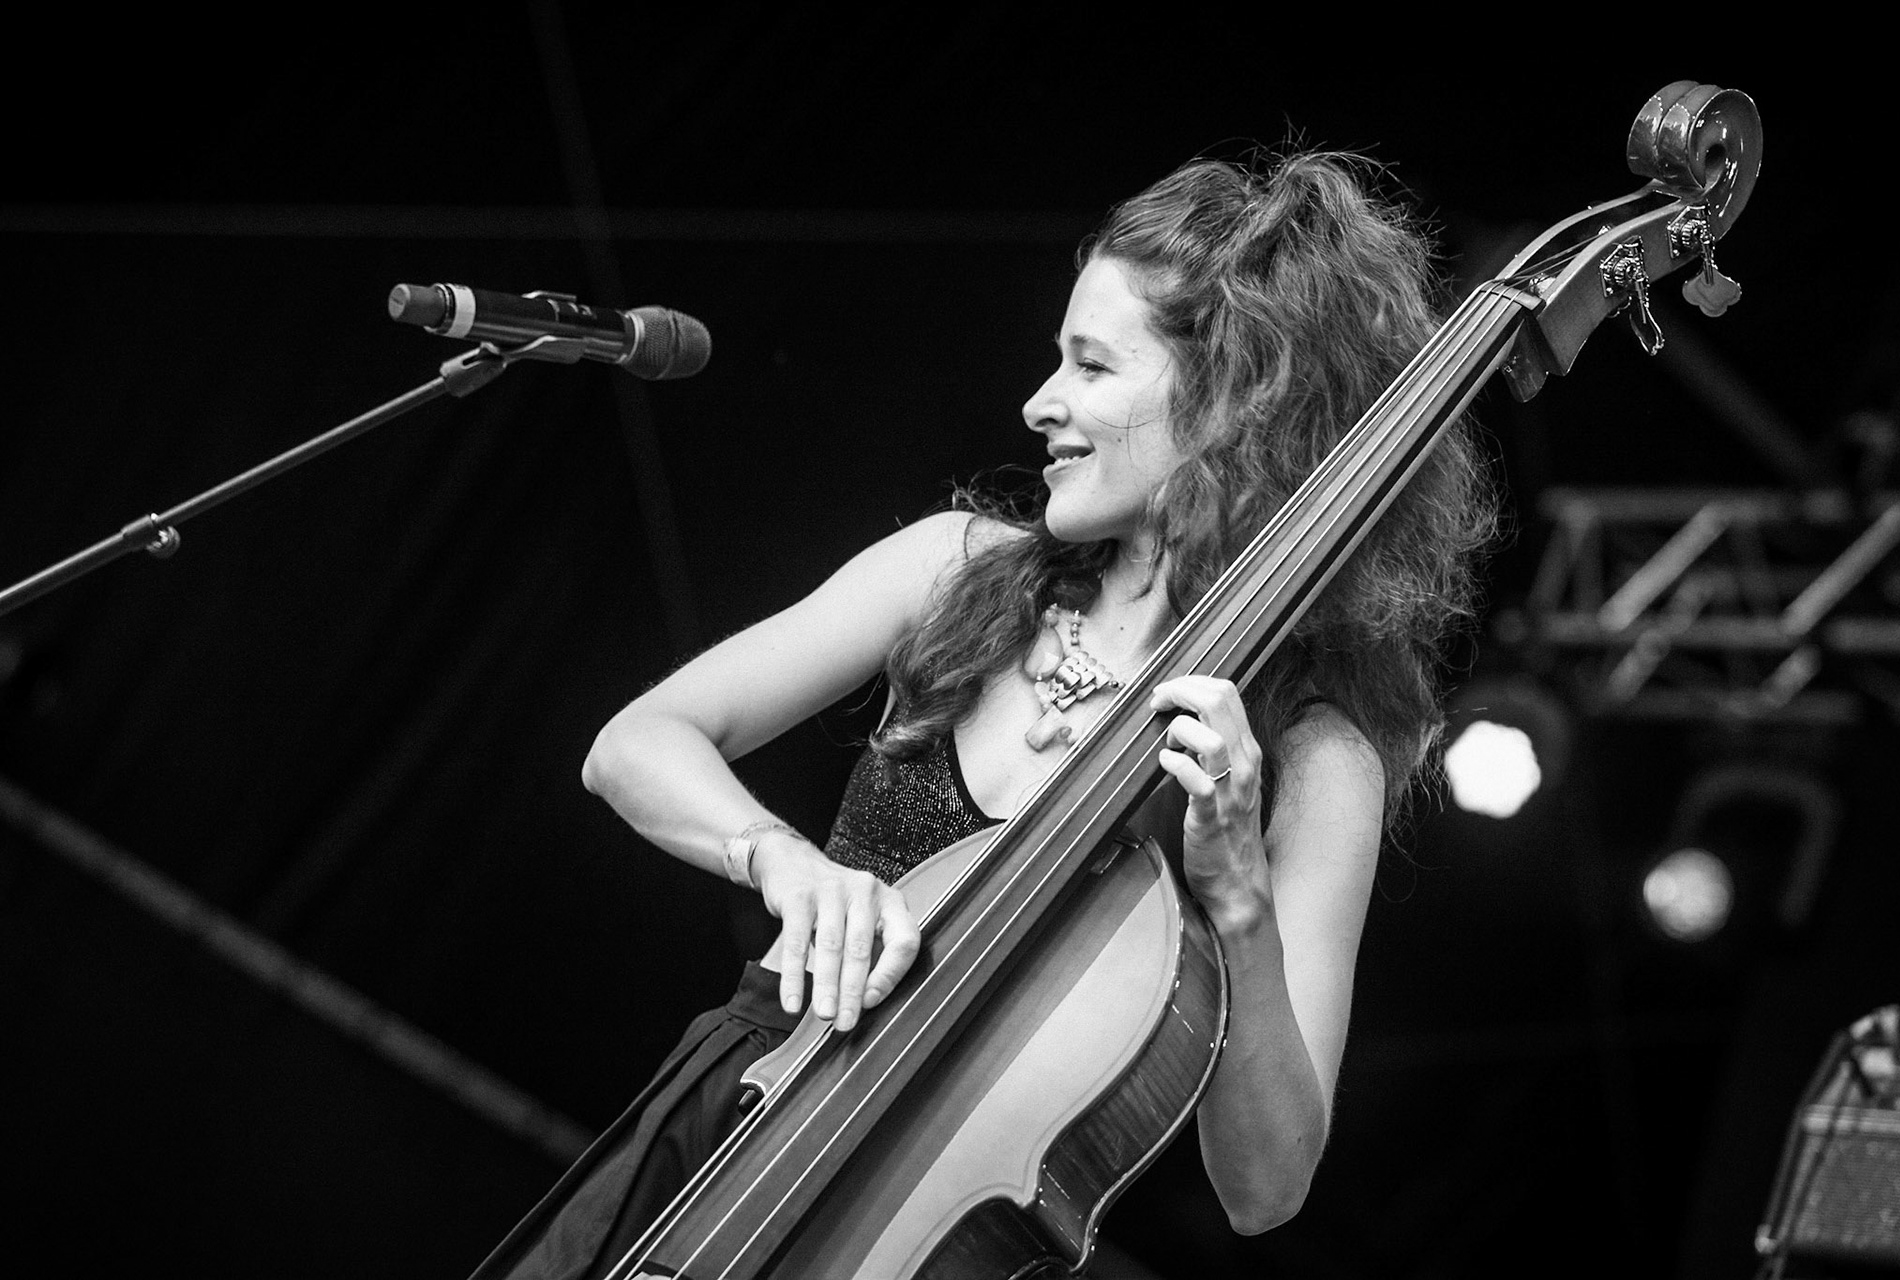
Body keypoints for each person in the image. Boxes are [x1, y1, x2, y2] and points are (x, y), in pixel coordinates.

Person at [471, 148, 1497, 1278]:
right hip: (728, 1138)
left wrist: (1241, 909)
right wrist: (785, 862)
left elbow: (1268, 1185)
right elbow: (635, 742)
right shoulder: (954, 565)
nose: (1038, 402)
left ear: (1228, 404)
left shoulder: (1311, 758)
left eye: (1091, 365)